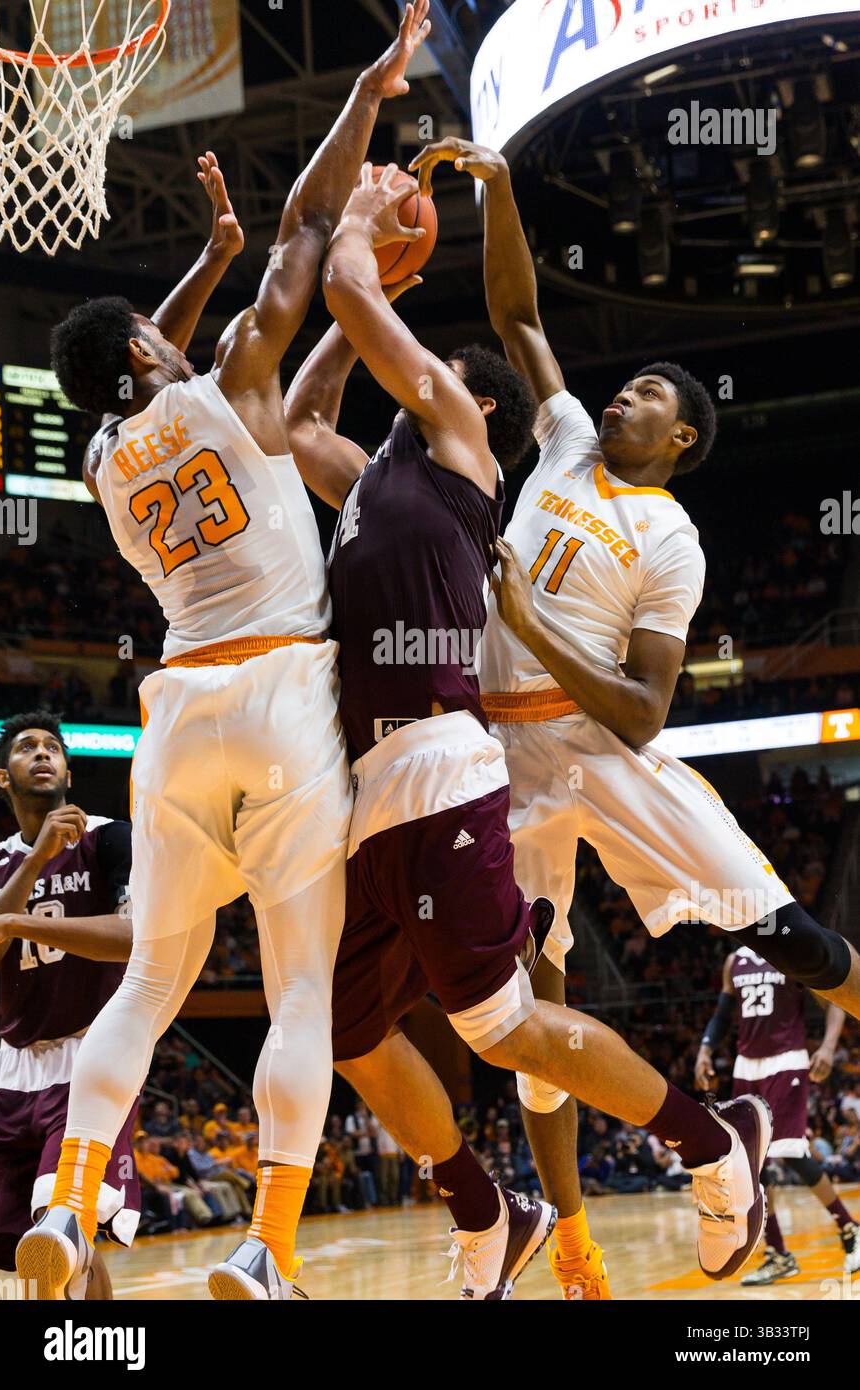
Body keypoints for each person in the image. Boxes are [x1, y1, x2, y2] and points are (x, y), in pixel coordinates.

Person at [284, 162, 774, 1300]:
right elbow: (299, 417)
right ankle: (484, 1209)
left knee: (505, 1027)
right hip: (370, 787)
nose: (416, 378)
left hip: (447, 768)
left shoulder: (461, 441)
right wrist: (360, 313)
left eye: (430, 371)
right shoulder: (367, 477)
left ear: (473, 400)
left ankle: (710, 1149)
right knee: (345, 1027)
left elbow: (356, 301)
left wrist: (355, 242)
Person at [386, 133, 860, 1298]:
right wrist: (496, 193)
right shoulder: (560, 438)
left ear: (680, 439)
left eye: (646, 394)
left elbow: (646, 710)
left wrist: (530, 622)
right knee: (529, 1002)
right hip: (499, 756)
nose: (621, 394)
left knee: (787, 935)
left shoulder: (668, 536)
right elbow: (514, 314)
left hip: (603, 748)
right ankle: (572, 1227)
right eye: (626, 383)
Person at [14, 2, 433, 1304]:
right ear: (151, 347)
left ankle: (70, 1210)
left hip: (175, 711)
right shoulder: (231, 380)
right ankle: (265, 1243)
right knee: (302, 979)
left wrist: (208, 257)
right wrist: (368, 87)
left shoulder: (95, 453)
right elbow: (312, 226)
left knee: (147, 977)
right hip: (277, 687)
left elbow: (140, 356)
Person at [0, 713, 137, 1300]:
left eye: (53, 747)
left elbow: (135, 938)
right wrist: (36, 859)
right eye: (27, 748)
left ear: (69, 774)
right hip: (10, 1065)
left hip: (90, 1058)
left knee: (62, 1230)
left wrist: (10, 921)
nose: (42, 754)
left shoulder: (109, 837)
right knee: (27, 1253)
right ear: (4, 778)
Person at [696, 945, 860, 1283]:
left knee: (792, 1153)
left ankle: (850, 1230)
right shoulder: (734, 961)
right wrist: (704, 1050)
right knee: (751, 1165)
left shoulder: (792, 948)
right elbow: (723, 1014)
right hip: (747, 1067)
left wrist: (828, 1046)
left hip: (786, 1061)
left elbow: (833, 1000)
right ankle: (778, 1253)